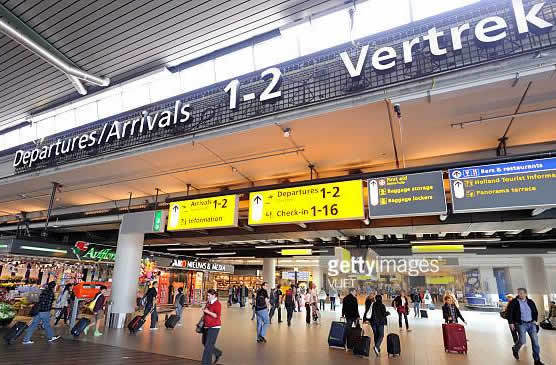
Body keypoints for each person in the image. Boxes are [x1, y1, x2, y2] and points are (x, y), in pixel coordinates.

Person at [508, 288, 544, 365]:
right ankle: (515, 348)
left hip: (531, 324)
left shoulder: (530, 302)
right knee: (522, 341)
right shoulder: (514, 302)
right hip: (521, 324)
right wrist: (511, 323)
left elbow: (535, 311)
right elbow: (510, 312)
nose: (519, 294)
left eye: (521, 293)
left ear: (525, 294)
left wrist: (535, 320)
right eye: (518, 293)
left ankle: (537, 361)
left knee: (536, 343)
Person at [201, 289, 223, 365]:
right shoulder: (208, 302)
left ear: (214, 295)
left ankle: (206, 363)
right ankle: (217, 353)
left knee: (208, 346)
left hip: (214, 327)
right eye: (207, 295)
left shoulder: (217, 304)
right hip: (206, 326)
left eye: (209, 295)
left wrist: (207, 312)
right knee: (204, 342)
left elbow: (216, 315)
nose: (207, 297)